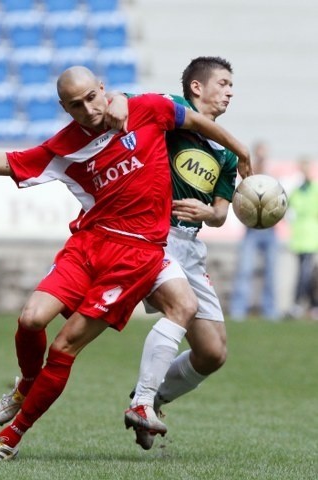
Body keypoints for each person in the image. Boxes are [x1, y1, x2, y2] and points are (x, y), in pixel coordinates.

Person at [0, 66, 250, 462]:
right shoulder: (67, 144)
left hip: (140, 253)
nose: (89, 109)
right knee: (31, 319)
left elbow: (192, 122)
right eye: (76, 104)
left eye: (93, 97)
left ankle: (10, 439)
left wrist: (242, 153)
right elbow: (8, 162)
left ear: (102, 89)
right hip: (89, 245)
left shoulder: (149, 111)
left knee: (74, 343)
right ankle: (28, 387)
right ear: (64, 108)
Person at [113, 56, 254, 450]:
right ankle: (142, 401)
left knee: (212, 352)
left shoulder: (225, 153)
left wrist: (209, 211)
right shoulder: (172, 112)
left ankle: (153, 398)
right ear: (197, 87)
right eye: (223, 83)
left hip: (191, 246)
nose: (230, 91)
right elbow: (124, 104)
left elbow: (222, 215)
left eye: (231, 85)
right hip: (152, 236)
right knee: (182, 307)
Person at [229, 141, 280, 321]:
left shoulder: (272, 179)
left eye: (264, 154)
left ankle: (270, 311)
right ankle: (238, 310)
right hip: (251, 230)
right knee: (244, 270)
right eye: (259, 154)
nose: (262, 158)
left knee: (271, 272)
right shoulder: (249, 175)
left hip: (270, 231)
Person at [286, 156, 318, 319]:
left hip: (312, 238)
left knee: (306, 274)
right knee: (303, 273)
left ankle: (299, 304)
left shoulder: (315, 189)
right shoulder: (296, 191)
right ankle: (312, 305)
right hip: (299, 239)